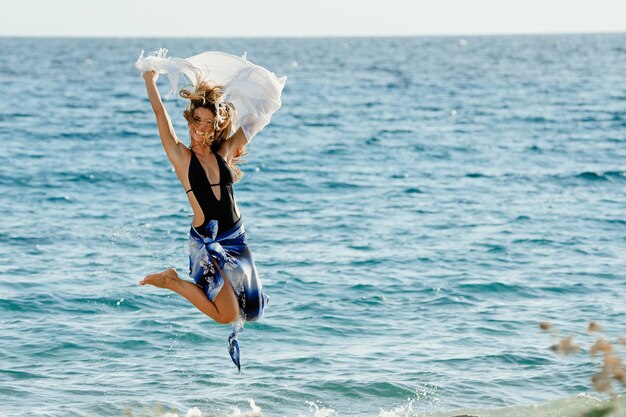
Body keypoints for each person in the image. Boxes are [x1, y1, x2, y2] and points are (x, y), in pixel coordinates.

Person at [135, 50, 285, 370]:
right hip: (206, 244)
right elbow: (160, 115)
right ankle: (172, 281)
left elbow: (253, 123)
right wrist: (150, 79)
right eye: (197, 121)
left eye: (208, 122)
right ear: (190, 121)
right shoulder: (181, 157)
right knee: (227, 314)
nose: (202, 128)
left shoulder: (224, 152)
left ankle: (180, 283)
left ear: (215, 122)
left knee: (255, 310)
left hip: (236, 238)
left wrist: (266, 93)